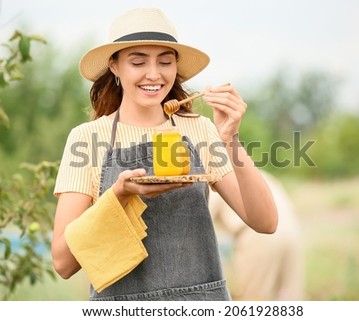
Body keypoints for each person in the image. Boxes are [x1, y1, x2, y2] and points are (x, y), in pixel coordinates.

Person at [51, 7, 278, 301]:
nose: (154, 74)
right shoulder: (86, 138)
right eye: (138, 61)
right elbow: (63, 263)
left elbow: (265, 222)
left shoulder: (201, 130)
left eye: (165, 61)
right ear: (115, 66)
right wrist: (119, 196)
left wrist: (230, 138)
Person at [209, 170, 304, 300]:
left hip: (257, 235)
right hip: (292, 231)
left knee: (255, 299)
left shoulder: (220, 173)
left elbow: (202, 215)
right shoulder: (258, 173)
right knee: (288, 298)